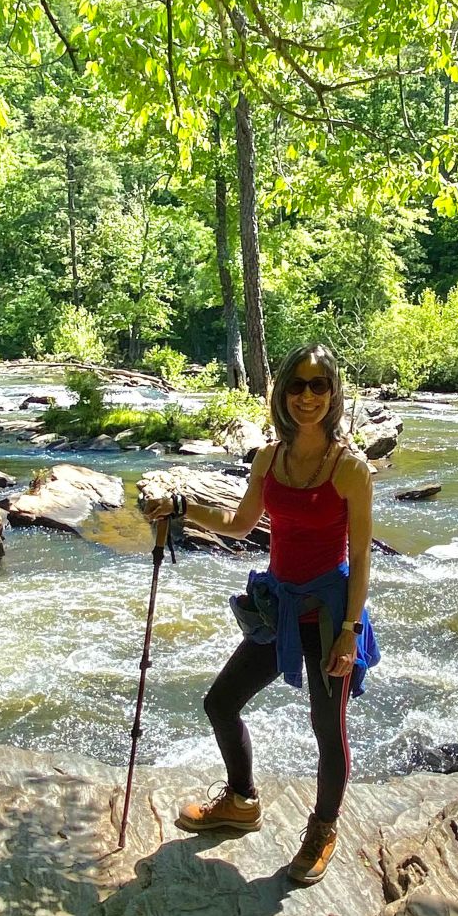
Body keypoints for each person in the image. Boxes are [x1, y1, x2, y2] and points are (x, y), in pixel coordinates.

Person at [144, 342, 379, 884]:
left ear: (333, 392)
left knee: (328, 728)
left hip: (327, 614)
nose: (307, 396)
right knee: (220, 702)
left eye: (319, 385)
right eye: (297, 384)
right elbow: (241, 522)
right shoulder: (270, 457)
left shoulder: (350, 469)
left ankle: (323, 828)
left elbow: (362, 555)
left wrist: (349, 631)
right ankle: (242, 800)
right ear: (282, 393)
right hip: (278, 605)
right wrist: (183, 507)